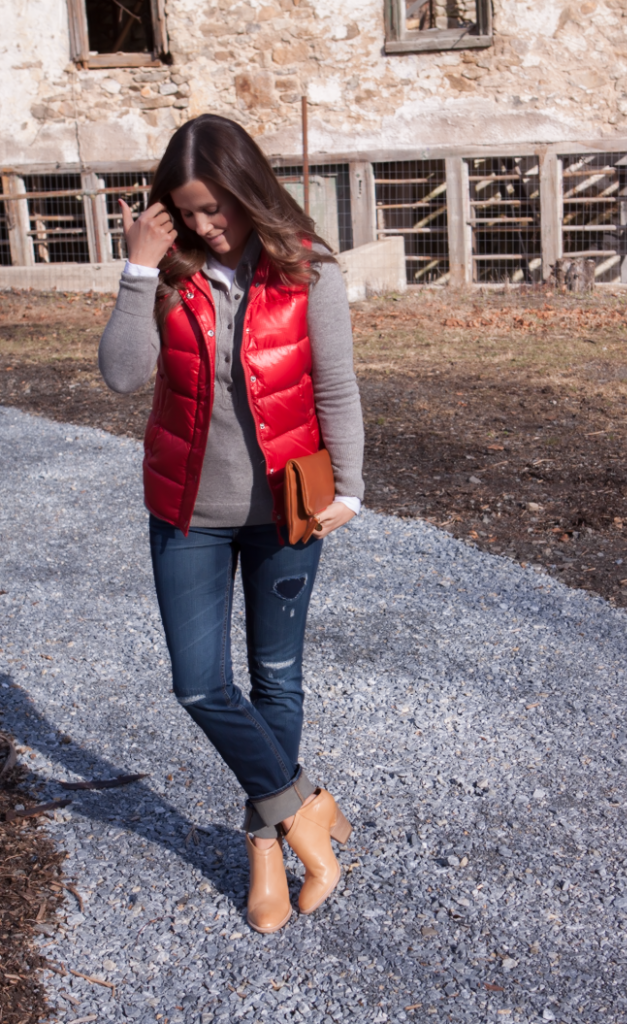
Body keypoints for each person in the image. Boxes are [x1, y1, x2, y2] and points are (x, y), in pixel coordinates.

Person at [98, 114, 364, 933]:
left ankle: (265, 847)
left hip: (287, 513)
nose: (209, 227)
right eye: (190, 212)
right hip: (186, 512)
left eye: (219, 208)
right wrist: (139, 271)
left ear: (250, 190)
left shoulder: (309, 269)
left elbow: (336, 387)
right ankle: (305, 808)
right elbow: (120, 376)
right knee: (199, 683)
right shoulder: (170, 274)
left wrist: (347, 490)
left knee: (275, 681)